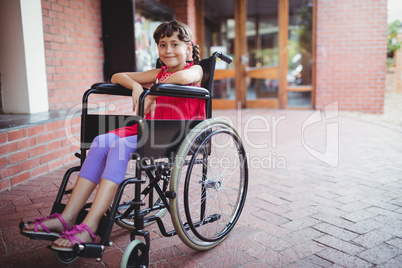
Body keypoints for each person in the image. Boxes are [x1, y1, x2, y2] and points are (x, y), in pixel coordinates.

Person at [21, 20, 204, 251]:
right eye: (162, 44)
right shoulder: (160, 72)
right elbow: (118, 76)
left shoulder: (195, 70)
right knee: (101, 141)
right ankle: (66, 217)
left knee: (119, 147)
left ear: (188, 49)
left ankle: (90, 226)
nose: (167, 50)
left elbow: (184, 79)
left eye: (175, 44)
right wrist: (138, 88)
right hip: (149, 129)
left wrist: (154, 92)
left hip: (175, 133)